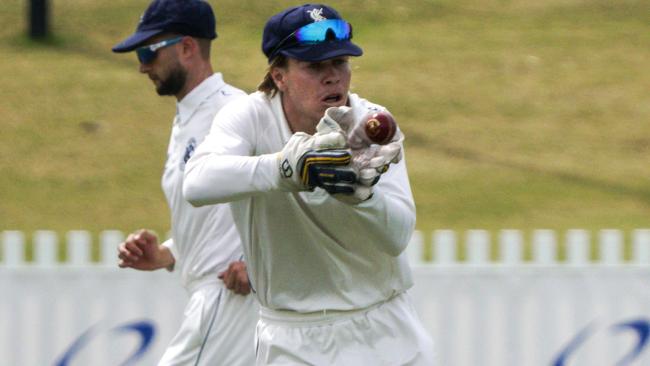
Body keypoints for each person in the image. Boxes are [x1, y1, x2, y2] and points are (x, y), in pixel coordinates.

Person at [183, 3, 435, 365]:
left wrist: (359, 197)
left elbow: (397, 235)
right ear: (279, 76)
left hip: (385, 330)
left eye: (340, 63)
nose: (333, 77)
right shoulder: (250, 116)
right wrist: (287, 169)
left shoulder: (371, 124)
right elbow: (197, 183)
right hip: (290, 339)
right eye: (314, 66)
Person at [111, 0, 258, 365]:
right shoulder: (187, 118)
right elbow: (218, 214)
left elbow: (294, 186)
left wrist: (255, 261)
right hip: (210, 296)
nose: (143, 66)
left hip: (229, 294)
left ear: (188, 47)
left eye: (148, 51)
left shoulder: (235, 111)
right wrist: (166, 254)